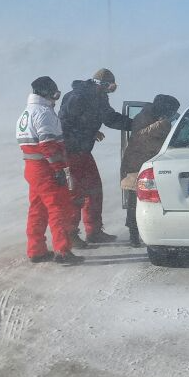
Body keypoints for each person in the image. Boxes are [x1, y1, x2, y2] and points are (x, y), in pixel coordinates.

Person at [58, 68, 133, 246]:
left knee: (94, 190)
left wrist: (135, 124)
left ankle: (94, 231)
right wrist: (89, 132)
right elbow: (64, 124)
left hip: (83, 151)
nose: (110, 91)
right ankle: (70, 234)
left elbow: (110, 118)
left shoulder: (99, 98)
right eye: (110, 87)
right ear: (101, 84)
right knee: (75, 193)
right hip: (70, 152)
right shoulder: (77, 97)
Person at [16, 77, 84, 265]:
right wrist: (59, 169)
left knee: (37, 209)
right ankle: (63, 252)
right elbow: (48, 145)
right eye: (55, 93)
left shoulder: (26, 113)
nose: (56, 98)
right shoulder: (44, 113)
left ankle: (36, 249)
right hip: (45, 167)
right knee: (59, 208)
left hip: (32, 167)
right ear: (46, 93)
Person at [120, 94, 181, 247]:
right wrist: (166, 123)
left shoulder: (151, 116)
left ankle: (141, 232)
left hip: (143, 164)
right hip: (137, 166)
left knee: (144, 201)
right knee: (137, 201)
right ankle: (134, 234)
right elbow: (144, 137)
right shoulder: (147, 118)